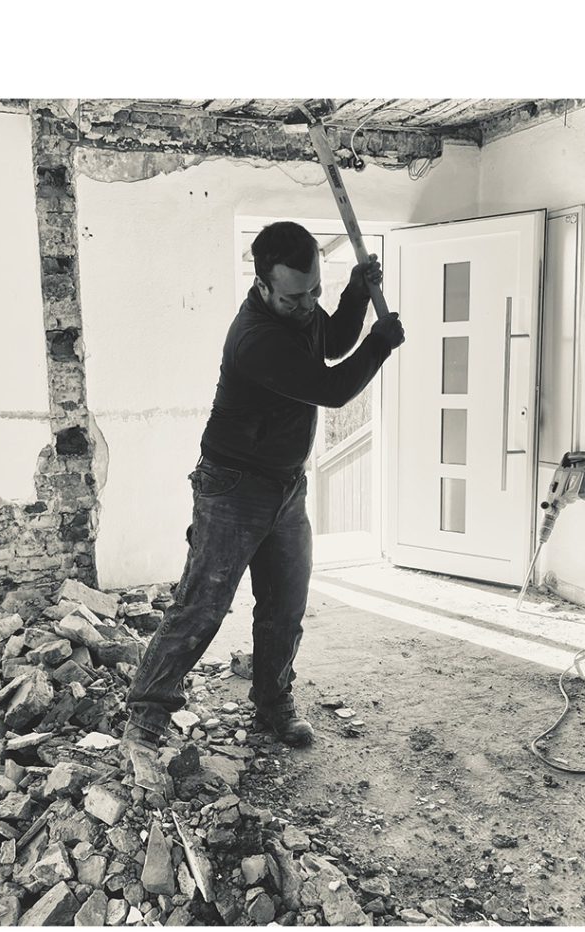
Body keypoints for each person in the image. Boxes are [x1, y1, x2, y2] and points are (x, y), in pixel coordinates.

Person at [121, 221, 405, 775]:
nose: (308, 305)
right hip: (232, 487)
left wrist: (352, 293)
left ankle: (273, 703)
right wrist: (379, 345)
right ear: (262, 285)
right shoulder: (256, 338)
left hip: (285, 485)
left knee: (285, 605)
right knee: (202, 606)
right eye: (295, 297)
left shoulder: (298, 311)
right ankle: (145, 718)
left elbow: (331, 341)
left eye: (314, 290)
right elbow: (330, 388)